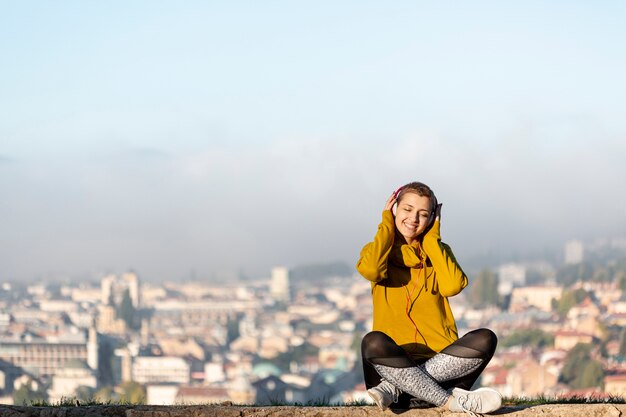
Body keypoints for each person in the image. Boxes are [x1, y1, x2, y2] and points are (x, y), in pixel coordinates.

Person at [356, 181, 501, 415]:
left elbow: (453, 286)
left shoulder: (438, 252)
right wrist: (386, 222)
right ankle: (449, 403)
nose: (413, 218)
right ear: (394, 209)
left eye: (423, 214)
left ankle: (396, 388)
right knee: (373, 342)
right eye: (407, 209)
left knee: (486, 338)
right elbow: (371, 270)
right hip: (393, 367)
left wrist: (433, 240)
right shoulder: (377, 252)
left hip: (435, 375)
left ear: (432, 218)